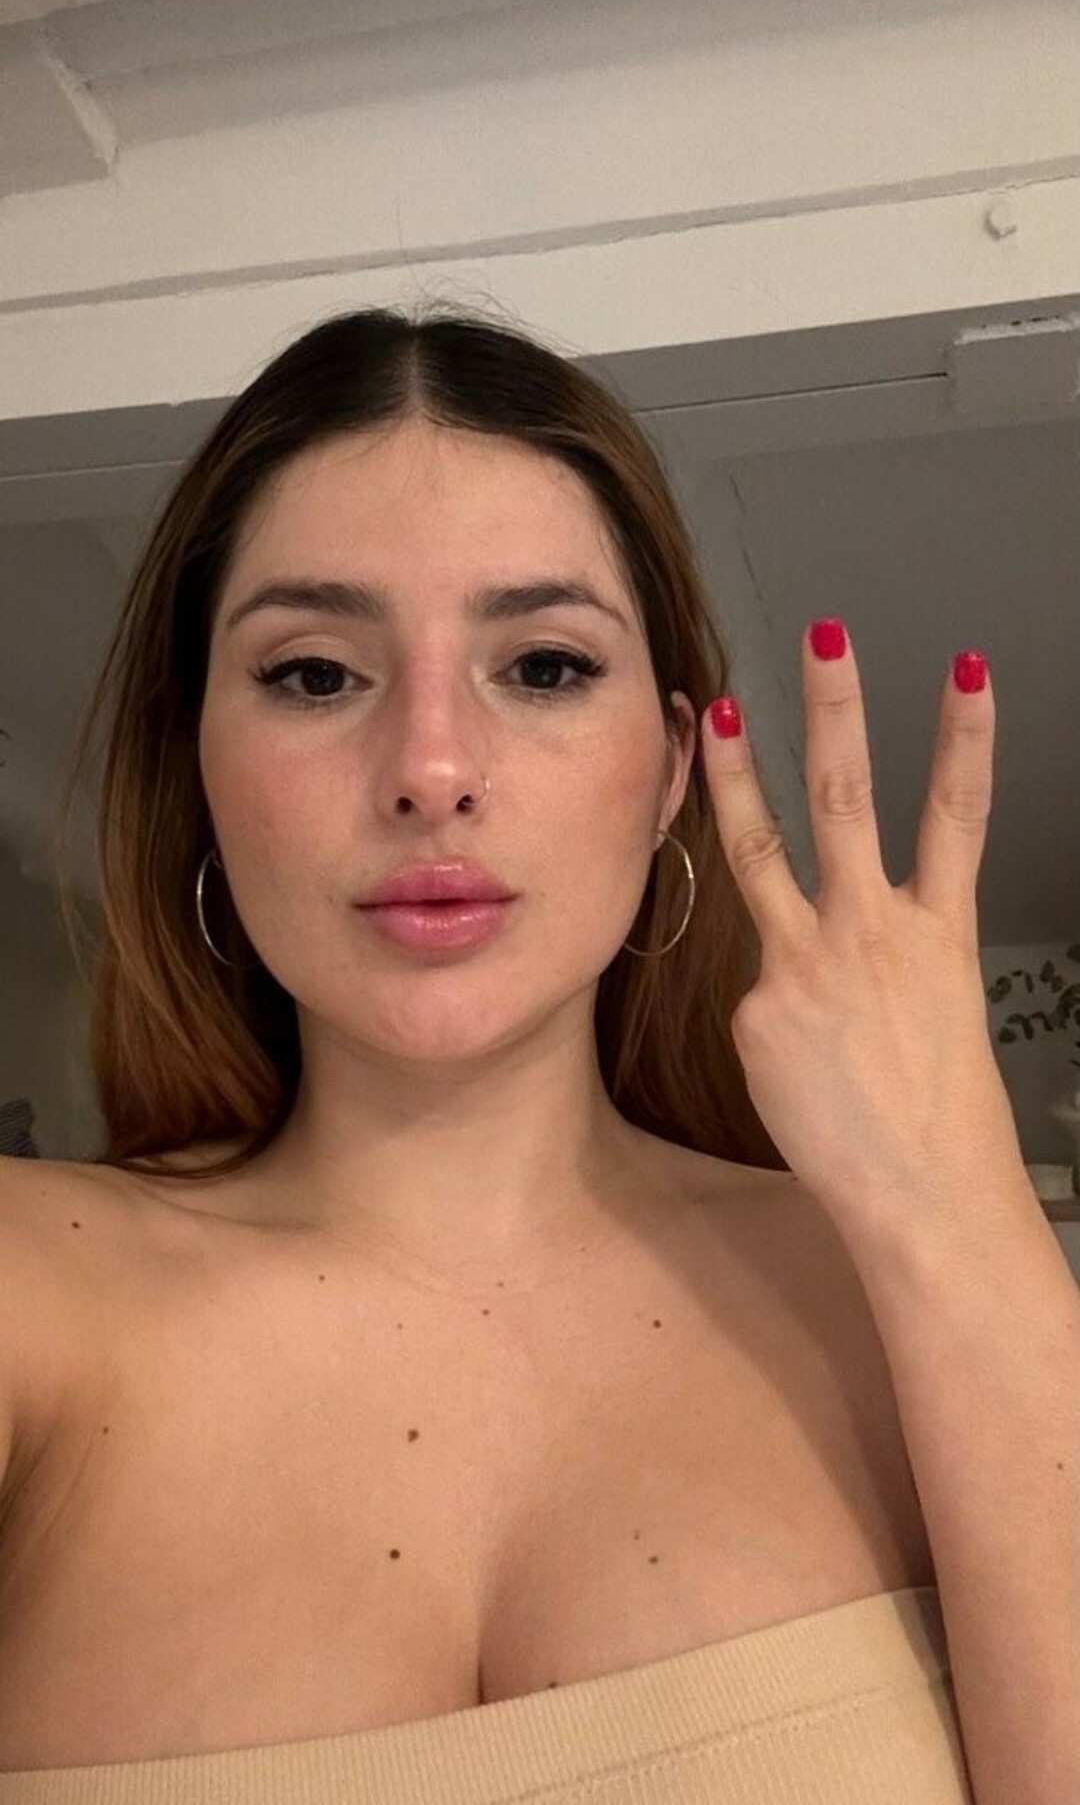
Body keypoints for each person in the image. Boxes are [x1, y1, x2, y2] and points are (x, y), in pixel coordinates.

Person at [0, 304, 980, 1799]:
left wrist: (956, 1193)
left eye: (544, 667)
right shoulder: (29, 1292)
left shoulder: (895, 1282)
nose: (433, 769)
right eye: (315, 675)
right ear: (195, 761)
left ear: (670, 770)